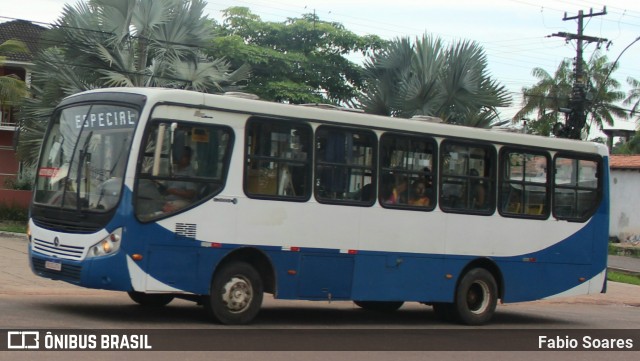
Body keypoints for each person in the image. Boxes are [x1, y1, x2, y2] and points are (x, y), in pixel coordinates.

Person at [162, 146, 197, 213]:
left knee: (166, 209)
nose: (179, 158)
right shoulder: (173, 169)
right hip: (167, 199)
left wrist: (174, 192)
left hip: (183, 201)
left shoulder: (190, 173)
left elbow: (190, 194)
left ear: (189, 158)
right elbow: (165, 186)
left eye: (183, 156)